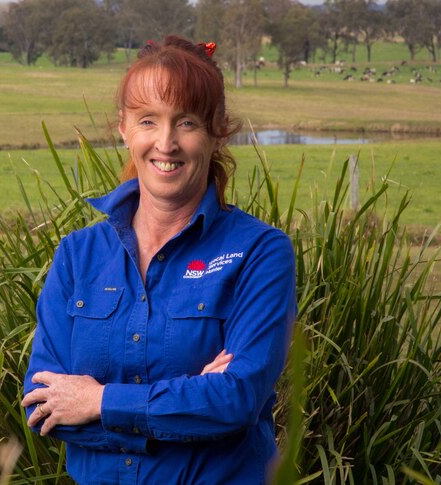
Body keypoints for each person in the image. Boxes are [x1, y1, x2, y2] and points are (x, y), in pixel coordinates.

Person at [21, 35, 297, 484]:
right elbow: (43, 406)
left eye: (186, 123)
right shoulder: (78, 255)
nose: (165, 143)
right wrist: (191, 408)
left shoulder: (260, 253)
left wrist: (98, 402)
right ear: (124, 129)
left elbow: (237, 399)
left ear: (216, 131)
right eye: (148, 120)